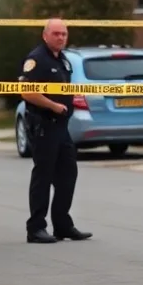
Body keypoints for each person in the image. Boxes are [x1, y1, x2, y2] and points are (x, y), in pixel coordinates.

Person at [19, 18, 92, 244]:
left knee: (68, 174)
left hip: (61, 127)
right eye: (56, 34)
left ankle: (63, 225)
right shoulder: (36, 59)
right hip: (43, 124)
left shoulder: (64, 61)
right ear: (45, 35)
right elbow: (26, 92)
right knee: (44, 175)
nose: (60, 37)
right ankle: (36, 228)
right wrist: (53, 105)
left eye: (64, 34)